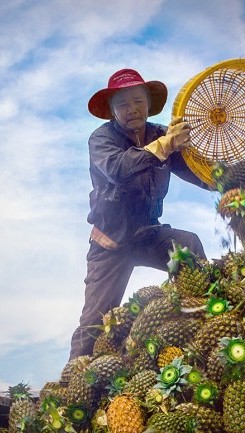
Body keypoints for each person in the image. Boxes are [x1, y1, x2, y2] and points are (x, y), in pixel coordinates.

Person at [68, 68, 210, 359]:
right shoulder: (102, 140)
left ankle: (202, 327)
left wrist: (233, 181)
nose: (131, 110)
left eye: (137, 101)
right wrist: (165, 145)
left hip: (148, 234)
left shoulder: (160, 134)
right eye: (122, 104)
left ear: (148, 103)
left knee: (190, 245)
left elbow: (199, 173)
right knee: (94, 324)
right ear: (111, 111)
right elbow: (118, 169)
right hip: (110, 243)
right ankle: (67, 386)